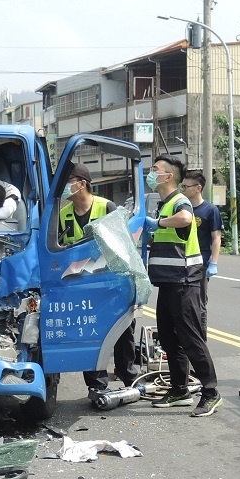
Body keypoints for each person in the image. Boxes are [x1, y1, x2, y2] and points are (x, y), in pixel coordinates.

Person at [143, 154, 222, 417]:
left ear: (168, 177)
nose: (151, 173)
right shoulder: (164, 204)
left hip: (185, 281)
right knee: (167, 338)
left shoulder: (179, 201)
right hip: (168, 281)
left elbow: (187, 219)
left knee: (190, 338)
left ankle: (211, 393)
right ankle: (179, 389)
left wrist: (157, 224)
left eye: (155, 170)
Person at [56, 162, 139, 391]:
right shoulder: (63, 215)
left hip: (112, 280)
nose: (62, 188)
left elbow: (125, 244)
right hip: (82, 283)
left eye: (67, 182)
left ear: (82, 184)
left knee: (122, 329)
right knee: (89, 331)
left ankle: (129, 376)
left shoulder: (107, 207)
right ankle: (97, 384)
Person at [181, 170, 223, 337]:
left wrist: (213, 262)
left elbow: (216, 237)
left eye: (186, 186)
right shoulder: (182, 208)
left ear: (198, 188)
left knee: (198, 303)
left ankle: (200, 338)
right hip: (182, 262)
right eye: (181, 185)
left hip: (201, 263)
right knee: (183, 302)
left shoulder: (210, 210)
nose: (182, 189)